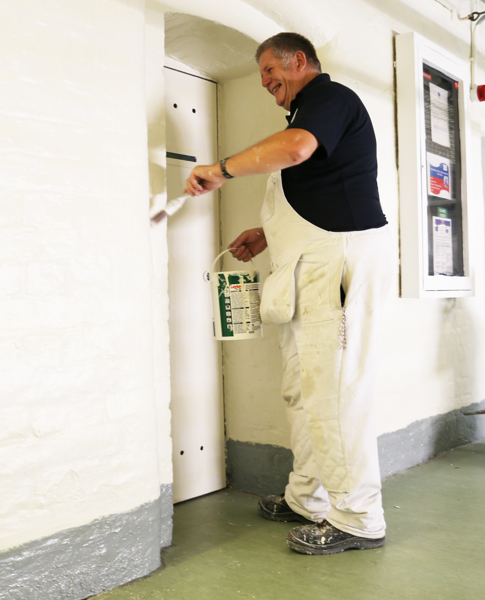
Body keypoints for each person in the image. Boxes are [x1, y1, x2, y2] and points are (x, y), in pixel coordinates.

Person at [184, 33, 393, 554]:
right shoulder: (306, 112)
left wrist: (221, 169)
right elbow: (315, 178)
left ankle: (358, 517)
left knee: (335, 392)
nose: (265, 84)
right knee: (304, 390)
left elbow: (297, 149)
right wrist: (267, 234)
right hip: (307, 266)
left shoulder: (328, 99)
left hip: (333, 265)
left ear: (299, 61)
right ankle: (309, 498)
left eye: (270, 72)